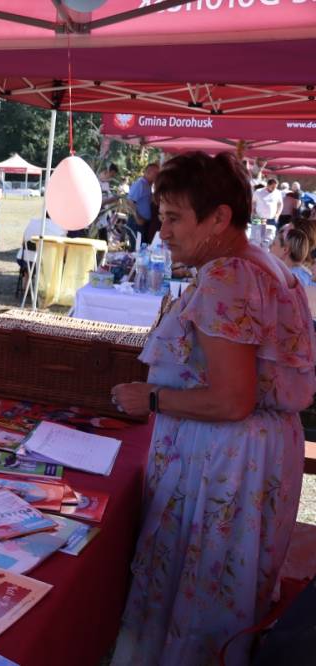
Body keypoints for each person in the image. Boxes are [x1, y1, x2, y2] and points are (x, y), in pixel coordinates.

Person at [110, 151, 316, 666]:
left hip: (224, 462)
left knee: (196, 595)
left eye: (175, 218)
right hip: (252, 456)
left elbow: (231, 399)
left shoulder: (229, 276)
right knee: (223, 595)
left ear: (220, 218)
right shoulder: (263, 263)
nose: (163, 231)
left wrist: (151, 398)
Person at [127, 163, 160, 241]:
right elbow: (130, 201)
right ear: (148, 172)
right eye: (156, 173)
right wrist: (137, 218)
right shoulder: (140, 184)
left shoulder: (147, 186)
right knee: (137, 246)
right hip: (136, 222)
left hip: (142, 223)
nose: (157, 176)